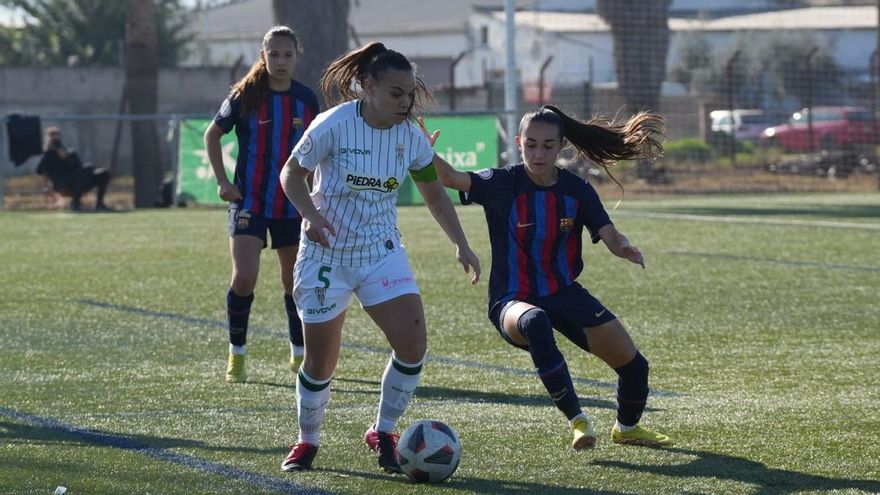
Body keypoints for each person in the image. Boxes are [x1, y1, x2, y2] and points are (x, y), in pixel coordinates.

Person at [277, 42, 481, 473]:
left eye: (409, 94)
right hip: (325, 254)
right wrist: (310, 216)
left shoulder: (410, 137)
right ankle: (308, 441)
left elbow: (435, 194)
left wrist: (461, 243)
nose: (405, 103)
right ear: (367, 87)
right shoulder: (332, 124)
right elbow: (291, 174)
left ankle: (384, 431)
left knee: (412, 344)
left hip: (380, 253)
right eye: (395, 94)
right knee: (320, 362)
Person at [427, 104, 672, 451]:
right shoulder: (501, 183)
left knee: (634, 368)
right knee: (536, 321)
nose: (537, 153)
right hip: (512, 299)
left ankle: (627, 428)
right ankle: (578, 420)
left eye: (546, 145)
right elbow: (451, 178)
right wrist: (425, 151)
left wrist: (624, 247)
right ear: (518, 142)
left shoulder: (577, 190)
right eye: (530, 144)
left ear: (561, 148)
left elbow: (609, 232)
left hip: (564, 292)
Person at [203, 26, 319, 384]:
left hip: (290, 204)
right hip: (249, 201)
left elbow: (319, 150)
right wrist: (223, 182)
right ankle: (237, 354)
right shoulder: (245, 95)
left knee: (293, 282)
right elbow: (212, 134)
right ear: (263, 55)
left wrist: (316, 193)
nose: (281, 61)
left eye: (287, 54)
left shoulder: (306, 100)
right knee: (244, 277)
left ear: (297, 55)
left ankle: (299, 353)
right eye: (274, 54)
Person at [36, 127, 112, 211]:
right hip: (63, 185)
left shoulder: (70, 152)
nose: (55, 144)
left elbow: (78, 167)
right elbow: (39, 171)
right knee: (86, 169)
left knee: (103, 172)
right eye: (53, 141)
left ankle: (99, 205)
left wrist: (63, 154)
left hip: (78, 183)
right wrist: (47, 151)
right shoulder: (47, 156)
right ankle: (75, 204)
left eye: (57, 142)